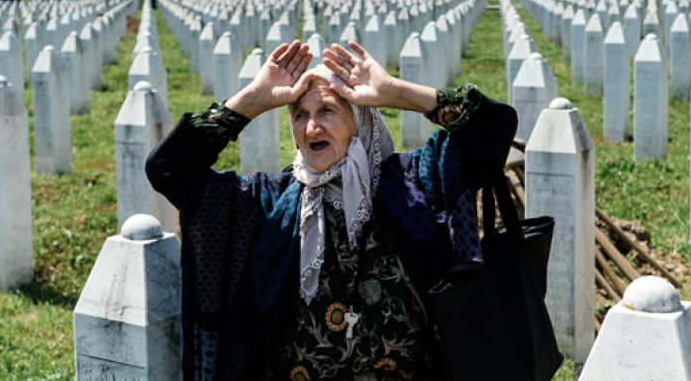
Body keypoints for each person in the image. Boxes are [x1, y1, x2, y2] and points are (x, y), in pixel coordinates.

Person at [146, 40, 517, 380]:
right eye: (298, 115)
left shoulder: (415, 186)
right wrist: (252, 102)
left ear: (361, 118)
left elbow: (492, 128)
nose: (311, 128)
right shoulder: (269, 206)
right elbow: (168, 168)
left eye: (327, 110)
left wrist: (394, 93)